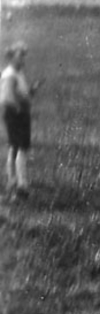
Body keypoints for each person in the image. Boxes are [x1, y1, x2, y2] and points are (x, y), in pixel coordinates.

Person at [1, 43, 38, 200]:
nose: (23, 59)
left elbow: (21, 93)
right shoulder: (10, 74)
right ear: (11, 58)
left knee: (14, 147)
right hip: (16, 114)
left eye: (24, 55)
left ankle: (13, 181)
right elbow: (8, 97)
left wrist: (31, 91)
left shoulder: (17, 73)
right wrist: (19, 109)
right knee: (21, 148)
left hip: (16, 113)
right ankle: (21, 185)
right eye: (20, 55)